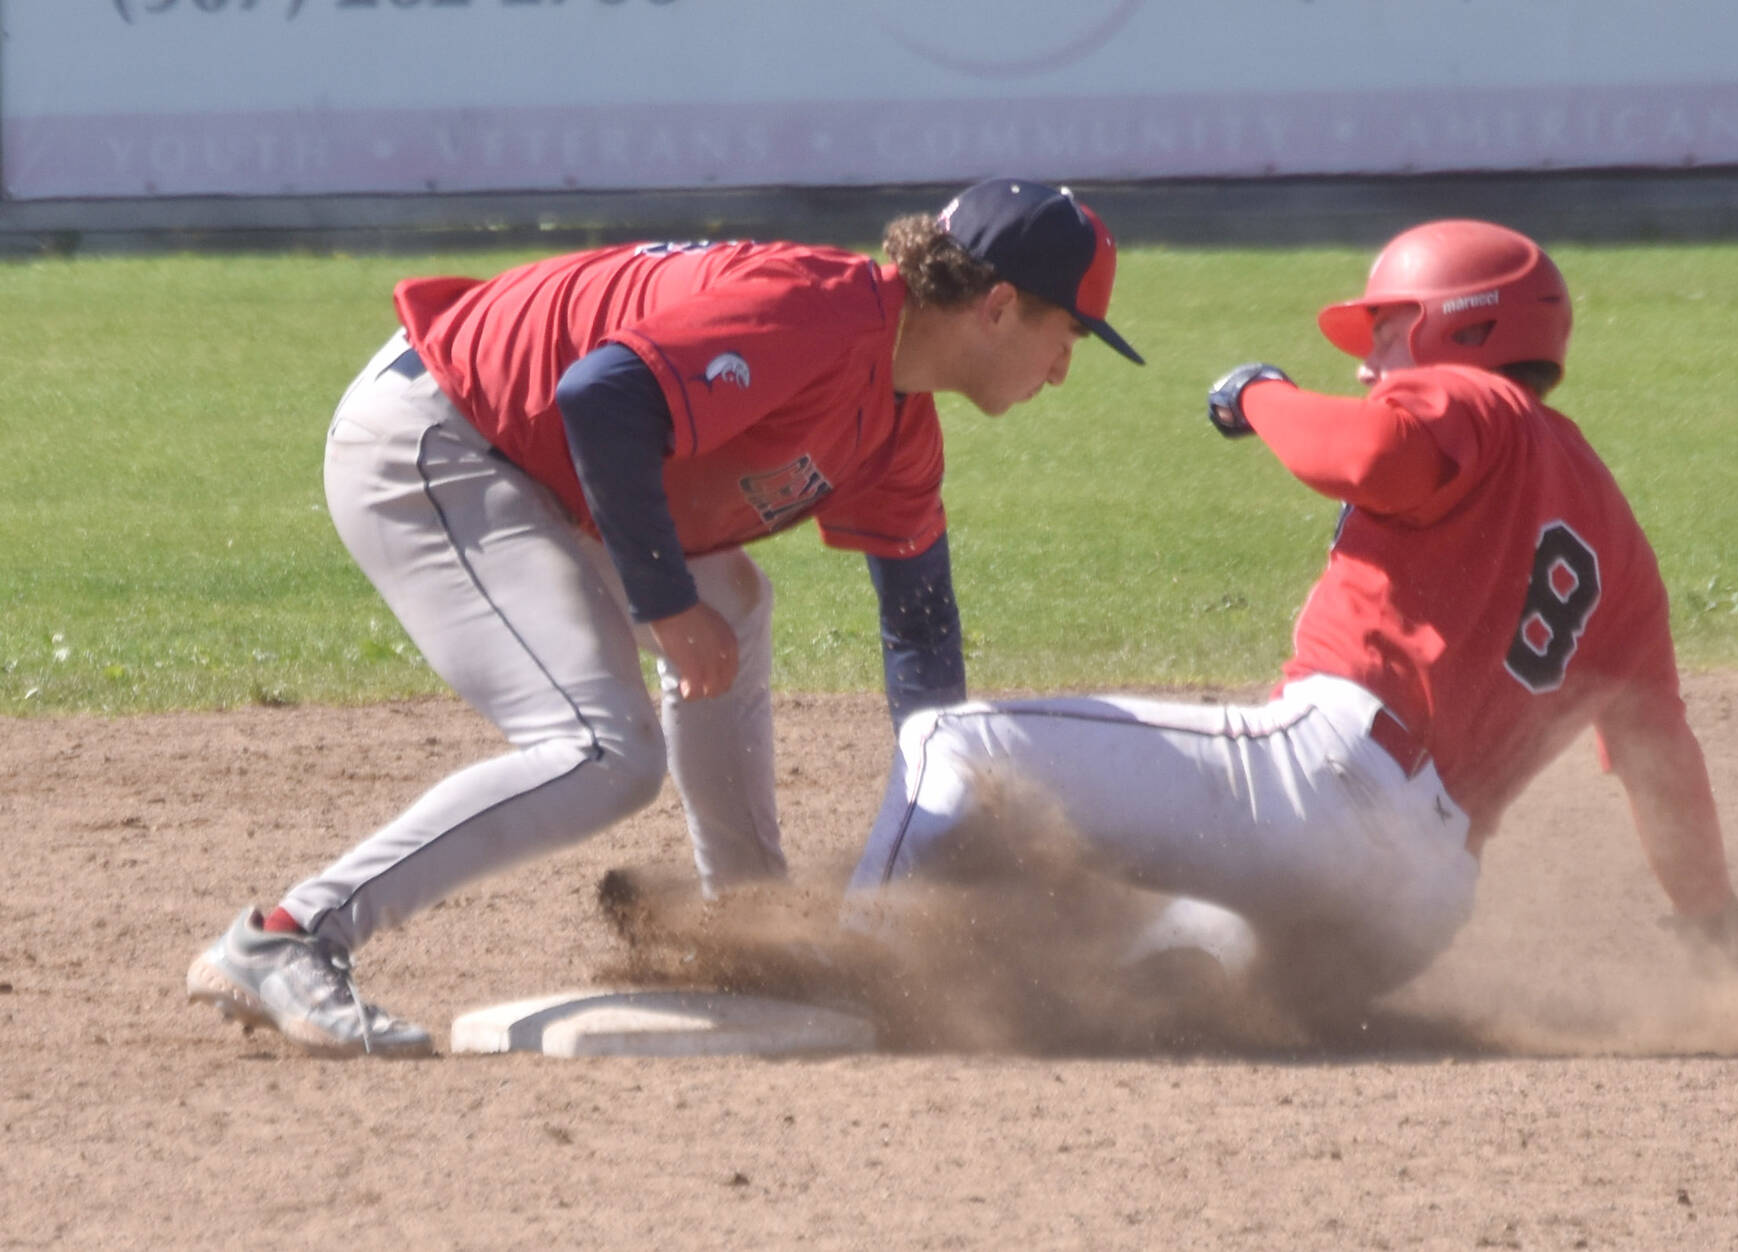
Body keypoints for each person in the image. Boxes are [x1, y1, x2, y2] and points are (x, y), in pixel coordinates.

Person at [185, 178, 1144, 1057]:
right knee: (605, 750)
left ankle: (751, 925)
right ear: (998, 305)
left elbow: (921, 637)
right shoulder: (818, 317)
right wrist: (664, 604)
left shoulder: (898, 424)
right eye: (1072, 334)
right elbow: (600, 398)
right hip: (442, 440)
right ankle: (293, 933)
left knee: (736, 602)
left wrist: (950, 818)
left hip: (536, 465)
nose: (1063, 370)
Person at [846, 218, 1738, 1033]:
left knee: (949, 743)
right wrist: (1721, 936)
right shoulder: (1620, 546)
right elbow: (1662, 769)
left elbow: (1372, 453)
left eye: (1390, 333)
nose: (1368, 368)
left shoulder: (1475, 402)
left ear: (1466, 330)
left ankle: (847, 977)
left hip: (1325, 787)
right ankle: (1177, 957)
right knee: (1190, 936)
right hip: (1418, 910)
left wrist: (1258, 396)